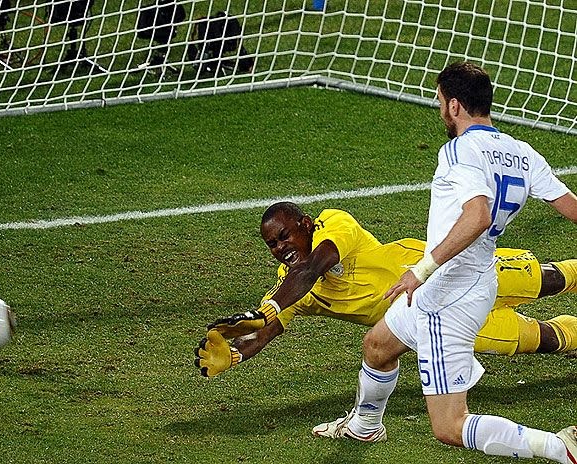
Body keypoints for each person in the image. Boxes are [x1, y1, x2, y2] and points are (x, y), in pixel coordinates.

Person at [199, 62, 577, 462]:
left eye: (439, 101)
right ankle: (365, 426)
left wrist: (421, 271)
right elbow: (570, 207)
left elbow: (477, 216)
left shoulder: (457, 151)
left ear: (453, 106)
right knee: (378, 346)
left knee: (449, 425)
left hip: (446, 291)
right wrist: (242, 345)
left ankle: (561, 448)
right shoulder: (521, 152)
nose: (439, 111)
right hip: (460, 281)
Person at [194, 203, 577, 378]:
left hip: (447, 271)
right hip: (437, 322)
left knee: (546, 280)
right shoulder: (289, 286)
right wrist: (236, 351)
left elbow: (312, 269)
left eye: (284, 236)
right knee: (537, 339)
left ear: (305, 224)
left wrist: (268, 308)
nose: (281, 248)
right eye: (272, 245)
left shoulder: (333, 224)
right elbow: (268, 329)